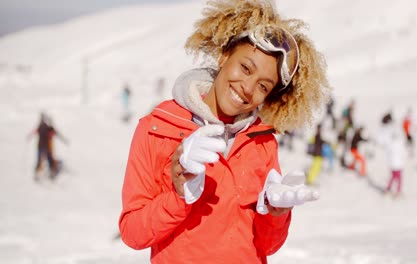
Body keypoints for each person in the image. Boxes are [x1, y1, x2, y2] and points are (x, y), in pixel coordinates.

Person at [118, 1, 329, 263]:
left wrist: (276, 214)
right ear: (224, 56)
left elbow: (267, 246)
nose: (248, 88)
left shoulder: (262, 142)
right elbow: (132, 232)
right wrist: (179, 195)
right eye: (245, 68)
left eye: (263, 86)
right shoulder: (157, 128)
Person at [28, 112, 68, 181]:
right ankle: (38, 173)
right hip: (42, 146)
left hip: (46, 147)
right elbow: (35, 131)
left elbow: (55, 134)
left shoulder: (49, 128)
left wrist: (63, 139)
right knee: (40, 160)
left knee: (48, 159)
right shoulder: (41, 127)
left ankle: (51, 171)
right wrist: (30, 136)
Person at [384, 131, 406, 197]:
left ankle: (388, 188)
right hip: (398, 164)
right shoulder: (400, 145)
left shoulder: (390, 145)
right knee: (399, 178)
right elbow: (403, 154)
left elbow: (387, 154)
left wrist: (389, 162)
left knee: (393, 177)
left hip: (392, 164)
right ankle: (398, 191)